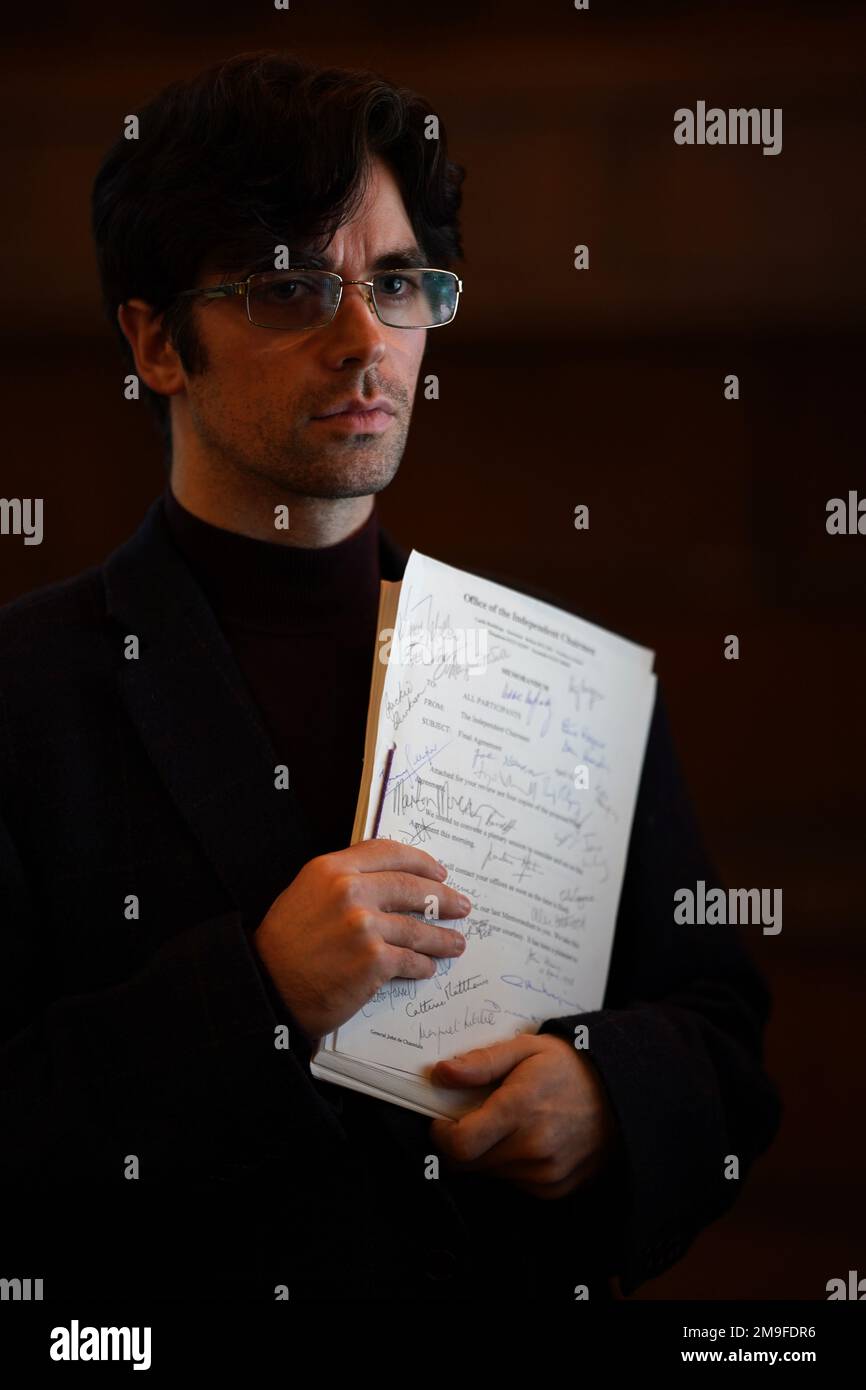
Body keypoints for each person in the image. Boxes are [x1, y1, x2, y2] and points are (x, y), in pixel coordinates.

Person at [0, 50, 780, 1303]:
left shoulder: (561, 677)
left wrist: (607, 1099)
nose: (365, 341)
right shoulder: (25, 693)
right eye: (290, 287)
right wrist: (256, 995)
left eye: (399, 283)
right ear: (156, 342)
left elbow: (720, 1039)